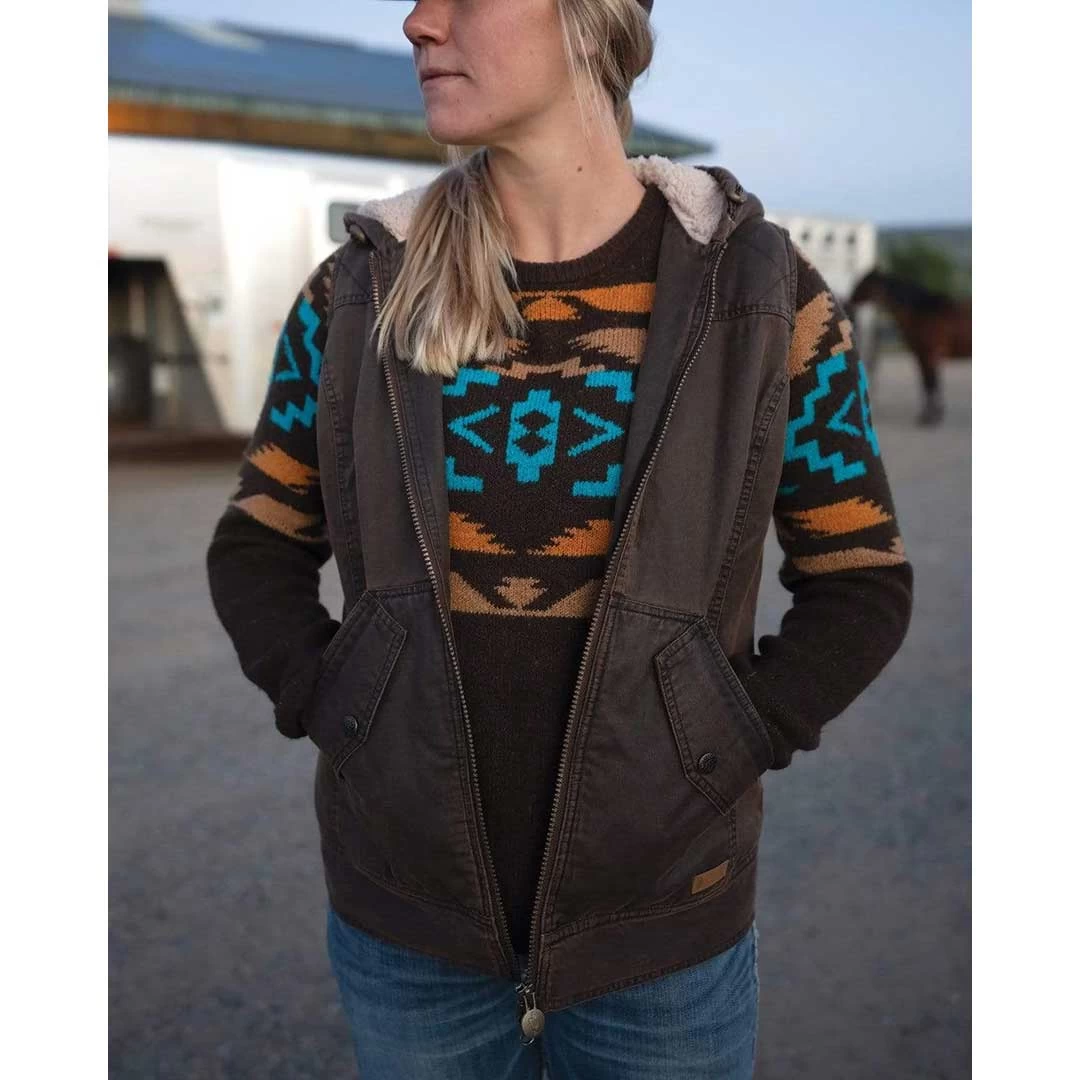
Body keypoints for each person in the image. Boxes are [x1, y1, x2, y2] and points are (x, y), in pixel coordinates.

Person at [205, 1, 914, 1076]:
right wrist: (337, 701)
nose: (417, 22)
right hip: (407, 923)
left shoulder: (762, 299)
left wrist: (727, 739)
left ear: (590, 17)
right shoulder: (357, 293)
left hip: (663, 932)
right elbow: (257, 540)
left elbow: (860, 578)